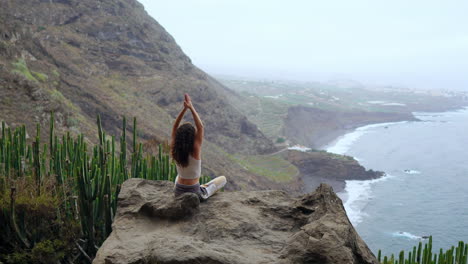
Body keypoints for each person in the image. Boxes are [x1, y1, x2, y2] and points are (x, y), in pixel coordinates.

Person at [171, 93, 227, 200]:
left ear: (178, 137)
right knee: (223, 179)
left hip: (177, 192)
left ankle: (203, 187)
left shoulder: (175, 149)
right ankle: (204, 188)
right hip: (194, 194)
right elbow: (200, 127)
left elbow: (174, 127)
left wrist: (184, 110)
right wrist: (191, 107)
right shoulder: (195, 149)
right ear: (193, 137)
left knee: (178, 176)